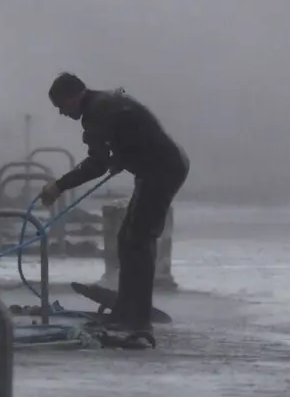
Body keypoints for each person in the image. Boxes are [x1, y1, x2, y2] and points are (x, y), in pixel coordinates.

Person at [41, 72, 189, 336]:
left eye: (62, 106)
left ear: (74, 96)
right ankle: (126, 309)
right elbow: (132, 133)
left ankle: (138, 319)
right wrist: (121, 154)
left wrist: (58, 185)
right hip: (158, 167)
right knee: (128, 239)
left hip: (161, 170)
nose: (62, 113)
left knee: (138, 241)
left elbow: (97, 163)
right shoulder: (103, 104)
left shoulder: (98, 111)